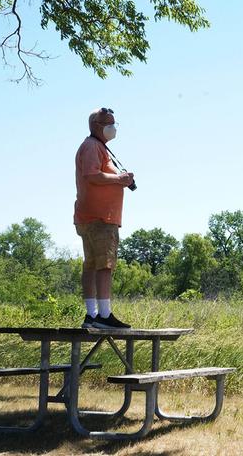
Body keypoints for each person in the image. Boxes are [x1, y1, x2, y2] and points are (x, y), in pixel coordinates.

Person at [74, 107, 135, 329]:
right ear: (96, 126)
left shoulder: (95, 146)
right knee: (105, 264)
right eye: (109, 124)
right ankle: (104, 315)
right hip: (100, 218)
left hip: (90, 215)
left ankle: (91, 315)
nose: (113, 128)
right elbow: (92, 175)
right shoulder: (92, 146)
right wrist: (120, 179)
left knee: (91, 264)